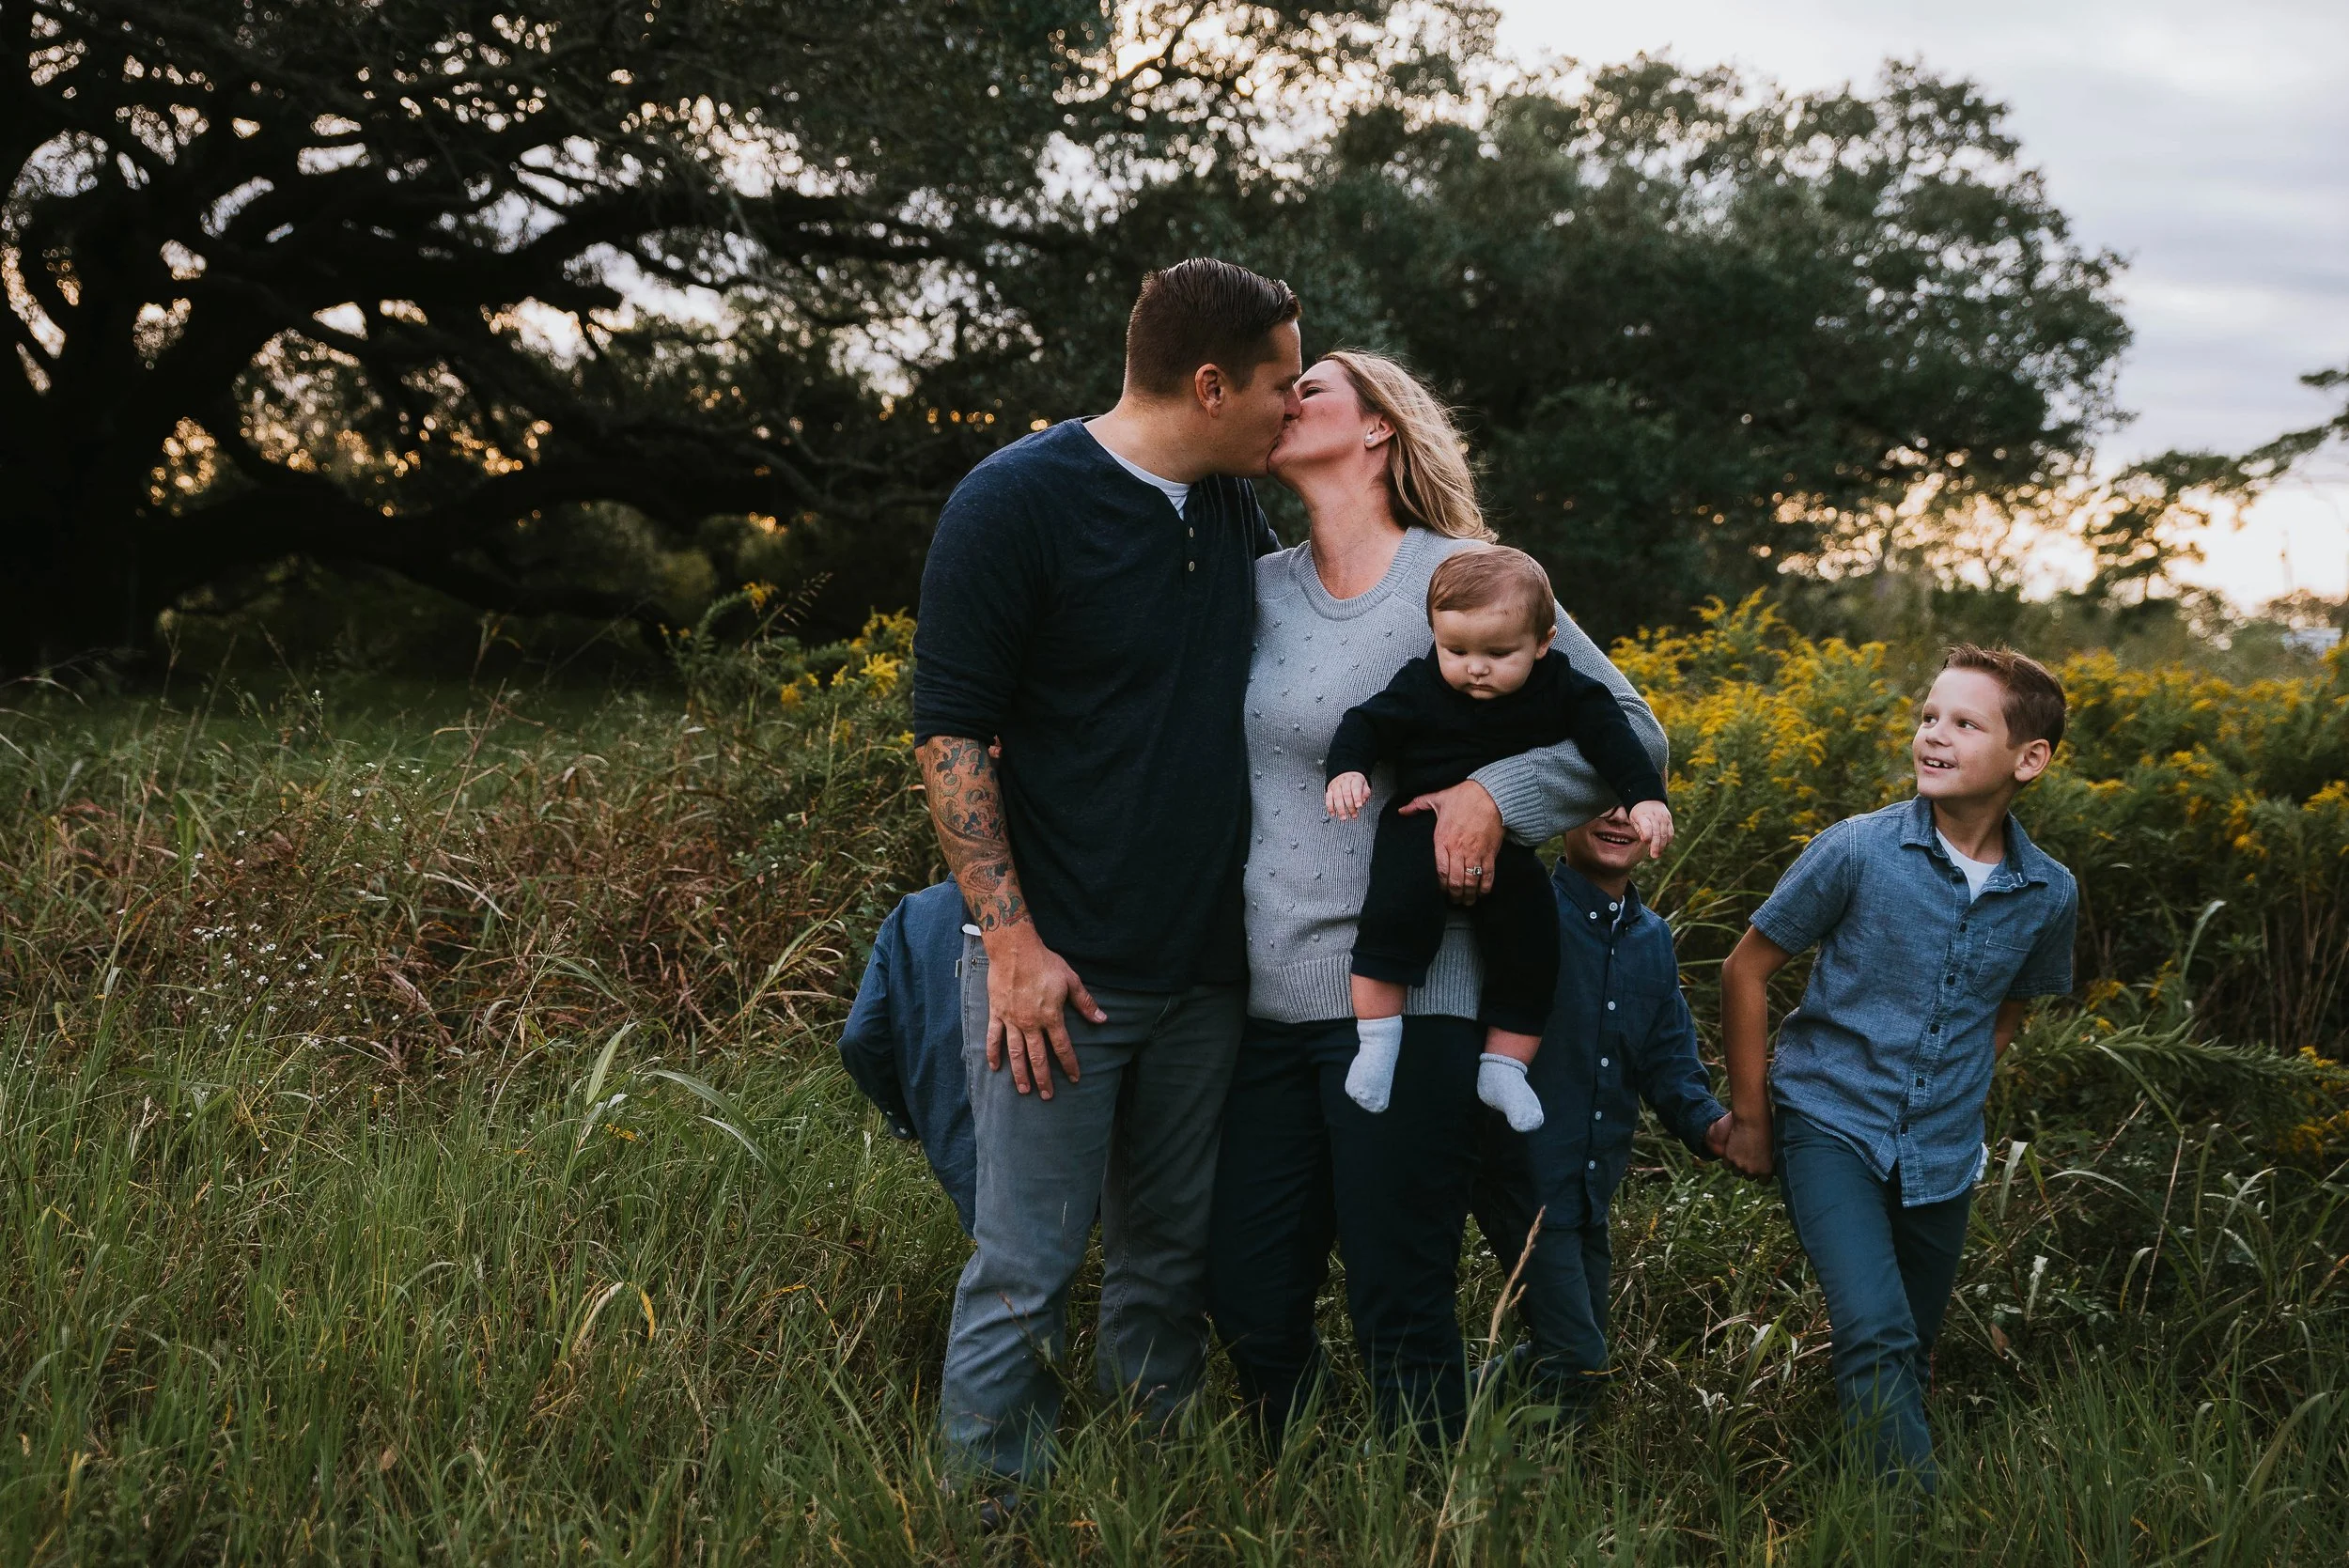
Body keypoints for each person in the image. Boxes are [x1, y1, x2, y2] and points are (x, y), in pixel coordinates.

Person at [1207, 349, 1669, 1445]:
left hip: (1414, 993)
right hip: (1257, 994)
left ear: (1376, 430)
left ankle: (1424, 1517)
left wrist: (1490, 792)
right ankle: (1305, 1496)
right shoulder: (1255, 585)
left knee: (1398, 1297)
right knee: (1247, 1289)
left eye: (1307, 387)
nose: (1281, 399)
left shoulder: (1468, 576)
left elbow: (1633, 733)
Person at [911, 258, 1302, 1499]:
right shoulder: (1015, 501)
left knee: (1163, 1266)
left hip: (1206, 973)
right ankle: (988, 1517)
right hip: (1060, 974)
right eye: (1281, 385)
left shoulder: (1229, 511)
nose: (1292, 408)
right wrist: (1013, 944)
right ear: (1208, 384)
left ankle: (1154, 1503)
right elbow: (952, 736)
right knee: (1025, 1267)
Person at [1716, 644, 2079, 1490]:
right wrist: (1755, 1119)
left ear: (2029, 759)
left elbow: (2011, 1006)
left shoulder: (2048, 892)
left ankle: (1862, 1508)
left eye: (1964, 722)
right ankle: (1920, 1520)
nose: (1934, 735)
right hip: (1830, 1123)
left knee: (1910, 1344)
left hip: (1943, 1154)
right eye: (1927, 717)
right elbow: (1746, 968)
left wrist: (1951, 1087)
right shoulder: (1858, 850)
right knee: (1874, 1328)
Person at [1323, 548, 1673, 1132]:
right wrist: (1348, 770)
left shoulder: (1563, 688)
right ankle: (1377, 1045)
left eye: (1497, 653)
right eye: (1455, 650)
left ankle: (1505, 1065)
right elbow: (1365, 722)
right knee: (1395, 916)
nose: (1474, 668)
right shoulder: (1422, 684)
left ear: (1543, 642)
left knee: (1534, 936)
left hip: (1507, 842)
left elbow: (1615, 737)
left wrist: (1645, 798)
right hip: (1417, 823)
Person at [1469, 807, 1729, 1418]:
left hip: (1591, 1186)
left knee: (1579, 1355)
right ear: (1561, 803)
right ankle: (1440, 1438)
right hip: (1522, 1176)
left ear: (1662, 818)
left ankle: (1433, 1410)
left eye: (1634, 798)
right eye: (1597, 793)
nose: (1616, 813)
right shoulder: (1521, 908)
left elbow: (1668, 1059)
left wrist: (1713, 1126)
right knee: (1579, 1356)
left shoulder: (1652, 940)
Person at [836, 881, 979, 1235]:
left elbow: (859, 1038)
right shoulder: (1063, 899)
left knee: (1009, 1266)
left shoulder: (912, 916)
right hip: (1069, 1126)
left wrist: (908, 1117)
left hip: (956, 1141)